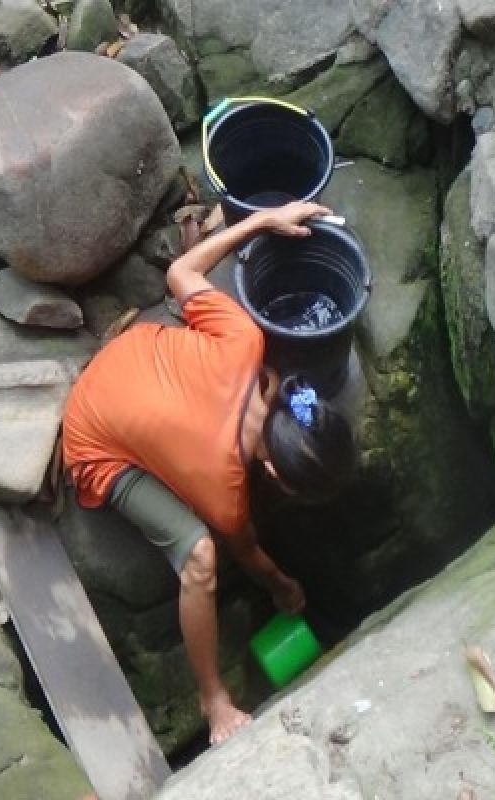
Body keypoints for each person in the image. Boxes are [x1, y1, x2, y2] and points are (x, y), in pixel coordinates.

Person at [62, 201, 356, 744]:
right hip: (93, 441)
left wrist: (260, 220)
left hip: (127, 362)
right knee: (200, 557)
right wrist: (281, 584)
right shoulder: (222, 485)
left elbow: (180, 273)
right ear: (273, 470)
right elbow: (242, 548)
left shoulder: (246, 341)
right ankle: (212, 699)